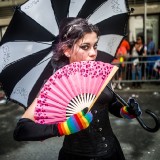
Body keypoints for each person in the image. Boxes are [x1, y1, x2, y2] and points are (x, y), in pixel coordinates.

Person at [13, 17, 141, 160]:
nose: (93, 53)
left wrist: (125, 111)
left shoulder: (99, 73)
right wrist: (63, 128)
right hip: (76, 156)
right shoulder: (54, 86)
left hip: (113, 153)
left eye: (95, 46)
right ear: (67, 50)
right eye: (85, 47)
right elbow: (21, 130)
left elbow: (110, 104)